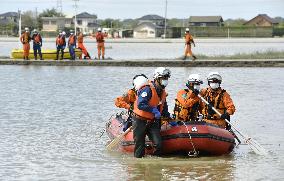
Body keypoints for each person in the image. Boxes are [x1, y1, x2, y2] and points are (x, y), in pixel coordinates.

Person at [132, 67, 172, 158]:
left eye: (167, 78)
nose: (165, 81)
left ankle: (154, 163)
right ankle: (139, 167)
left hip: (153, 121)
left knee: (158, 144)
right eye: (163, 78)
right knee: (139, 146)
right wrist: (153, 110)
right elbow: (141, 104)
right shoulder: (147, 89)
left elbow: (164, 108)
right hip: (140, 121)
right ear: (157, 78)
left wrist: (169, 118)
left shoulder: (163, 92)